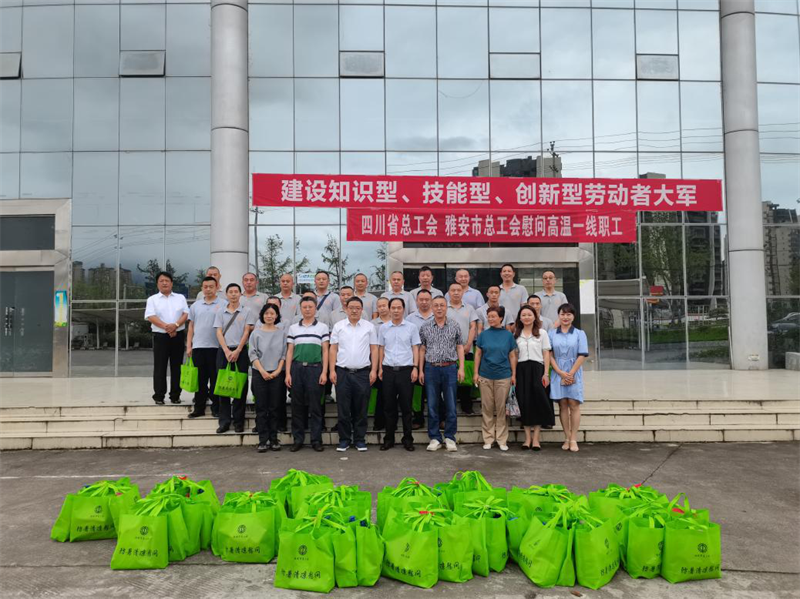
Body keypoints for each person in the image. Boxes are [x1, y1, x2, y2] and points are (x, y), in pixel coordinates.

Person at [329, 297, 378, 452]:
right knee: (343, 409)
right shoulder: (339, 326)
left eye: (357, 308)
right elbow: (333, 349)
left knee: (361, 408)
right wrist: (332, 370)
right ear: (346, 309)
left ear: (362, 310)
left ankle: (359, 440)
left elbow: (374, 349)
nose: (354, 310)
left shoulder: (369, 327)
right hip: (342, 372)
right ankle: (344, 440)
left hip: (362, 373)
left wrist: (374, 370)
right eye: (351, 308)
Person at [418, 296, 465, 452]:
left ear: (446, 307)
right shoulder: (425, 327)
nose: (439, 308)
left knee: (451, 404)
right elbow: (422, 349)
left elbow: (459, 347)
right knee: (432, 404)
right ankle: (435, 438)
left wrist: (461, 368)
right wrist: (420, 369)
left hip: (449, 368)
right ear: (432, 307)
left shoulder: (454, 325)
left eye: (442, 305)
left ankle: (450, 437)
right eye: (436, 305)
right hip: (431, 368)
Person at [285, 297, 329, 452]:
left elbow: (325, 351)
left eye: (310, 306)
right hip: (297, 369)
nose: (308, 309)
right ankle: (298, 439)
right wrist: (288, 373)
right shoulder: (293, 328)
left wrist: (324, 372)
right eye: (305, 307)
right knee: (297, 406)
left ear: (315, 308)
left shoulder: (322, 327)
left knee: (316, 407)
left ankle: (316, 440)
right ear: (300, 309)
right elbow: (290, 351)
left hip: (315, 369)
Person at [378, 298, 421, 452]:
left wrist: (415, 367)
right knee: (389, 407)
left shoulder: (411, 327)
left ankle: (408, 439)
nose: (396, 310)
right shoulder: (383, 328)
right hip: (388, 370)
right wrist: (380, 368)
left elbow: (415, 348)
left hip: (406, 370)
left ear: (403, 309)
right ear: (389, 309)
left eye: (399, 307)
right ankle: (389, 439)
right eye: (393, 308)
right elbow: (381, 348)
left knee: (406, 407)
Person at [214, 283, 256, 434]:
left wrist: (238, 350)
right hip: (224, 351)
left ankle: (239, 422)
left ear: (240, 294)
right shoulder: (220, 311)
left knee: (240, 386)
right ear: (226, 295)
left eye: (236, 292)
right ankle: (224, 422)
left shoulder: (247, 311)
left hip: (241, 352)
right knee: (223, 386)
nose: (233, 294)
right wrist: (226, 350)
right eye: (230, 292)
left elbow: (247, 331)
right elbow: (218, 332)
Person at [473, 306, 517, 452]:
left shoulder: (508, 335)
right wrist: (476, 373)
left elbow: (512, 356)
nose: (490, 319)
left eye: (493, 316)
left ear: (501, 318)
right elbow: (478, 354)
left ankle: (502, 440)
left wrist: (514, 374)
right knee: (487, 408)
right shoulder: (483, 335)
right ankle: (488, 438)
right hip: (485, 375)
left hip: (503, 376)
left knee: (501, 409)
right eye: (489, 316)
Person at [548, 303, 588, 453]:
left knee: (574, 403)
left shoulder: (579, 333)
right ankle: (566, 437)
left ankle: (574, 438)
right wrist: (560, 372)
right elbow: (549, 354)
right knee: (563, 404)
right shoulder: (552, 333)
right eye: (562, 314)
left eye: (568, 314)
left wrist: (570, 373)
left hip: (574, 370)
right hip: (557, 371)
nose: (565, 317)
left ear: (573, 316)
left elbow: (582, 355)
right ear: (558, 316)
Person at [145, 271, 189, 405]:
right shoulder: (152, 299)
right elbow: (151, 316)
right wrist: (167, 327)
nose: (164, 283)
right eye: (161, 281)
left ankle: (175, 395)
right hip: (160, 337)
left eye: (167, 281)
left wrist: (175, 326)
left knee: (177, 367)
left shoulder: (180, 297)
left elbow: (186, 314)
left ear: (171, 283)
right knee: (160, 366)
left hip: (177, 336)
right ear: (157, 284)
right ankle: (159, 395)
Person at [514, 305, 554, 450]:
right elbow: (514, 356)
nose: (526, 317)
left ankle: (536, 439)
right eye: (523, 315)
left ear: (534, 316)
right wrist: (513, 374)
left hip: (538, 369)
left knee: (538, 402)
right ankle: (527, 439)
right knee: (524, 402)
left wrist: (546, 373)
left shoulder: (542, 333)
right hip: (521, 370)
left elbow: (546, 354)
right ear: (520, 318)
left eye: (529, 315)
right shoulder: (516, 334)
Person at [249, 304, 286, 453]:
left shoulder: (282, 333)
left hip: (277, 373)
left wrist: (277, 371)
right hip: (260, 373)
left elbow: (284, 354)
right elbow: (252, 354)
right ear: (262, 315)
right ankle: (262, 440)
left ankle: (274, 439)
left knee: (275, 407)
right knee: (261, 407)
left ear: (276, 316)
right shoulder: (255, 333)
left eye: (272, 313)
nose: (269, 316)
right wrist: (263, 371)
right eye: (266, 313)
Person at [186, 276, 224, 418]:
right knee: (200, 379)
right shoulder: (195, 306)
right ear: (202, 288)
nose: (208, 289)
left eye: (211, 287)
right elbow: (191, 327)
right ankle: (199, 408)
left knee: (215, 379)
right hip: (198, 347)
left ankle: (216, 408)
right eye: (205, 287)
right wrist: (189, 345)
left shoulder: (224, 304)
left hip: (216, 347)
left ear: (217, 287)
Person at [446, 282, 479, 415]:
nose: (456, 293)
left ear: (462, 292)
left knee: (466, 377)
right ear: (448, 292)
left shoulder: (469, 308)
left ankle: (467, 406)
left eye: (458, 290)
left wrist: (469, 344)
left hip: (466, 348)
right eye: (453, 290)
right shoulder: (444, 307)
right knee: (450, 379)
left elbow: (473, 326)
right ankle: (451, 407)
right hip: (448, 350)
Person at [406, 290, 435, 429]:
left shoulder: (437, 316)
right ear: (416, 301)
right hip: (416, 359)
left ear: (431, 301)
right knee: (417, 392)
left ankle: (439, 418)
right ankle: (418, 418)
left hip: (434, 359)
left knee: (434, 390)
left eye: (427, 299)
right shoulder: (410, 319)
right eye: (421, 299)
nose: (424, 302)